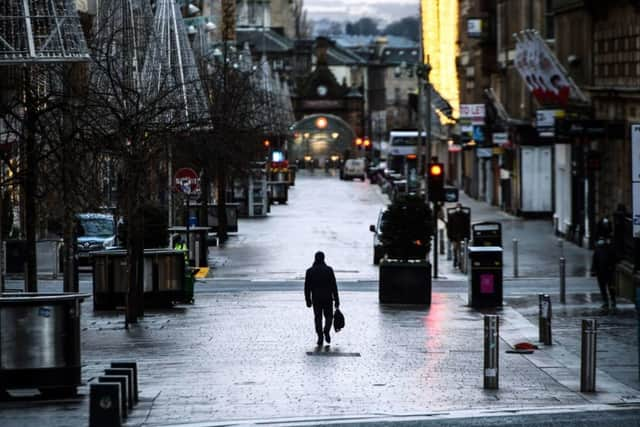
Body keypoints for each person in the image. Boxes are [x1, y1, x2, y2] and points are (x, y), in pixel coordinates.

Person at [304, 251, 340, 346]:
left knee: (318, 318)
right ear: (324, 258)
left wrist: (308, 300)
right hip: (328, 298)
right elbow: (334, 286)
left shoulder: (310, 271)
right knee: (329, 316)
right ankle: (326, 330)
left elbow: (307, 287)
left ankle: (320, 336)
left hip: (316, 298)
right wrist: (337, 300)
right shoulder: (329, 270)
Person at [591, 238, 617, 312]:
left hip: (606, 271)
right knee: (606, 287)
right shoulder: (601, 249)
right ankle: (608, 301)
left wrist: (593, 270)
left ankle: (610, 300)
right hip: (604, 271)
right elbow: (595, 260)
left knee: (608, 287)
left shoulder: (606, 249)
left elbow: (595, 261)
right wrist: (593, 270)